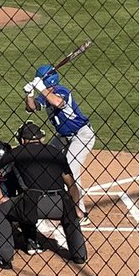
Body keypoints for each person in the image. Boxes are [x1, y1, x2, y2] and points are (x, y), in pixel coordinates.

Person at [0, 121, 87, 269]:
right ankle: (79, 255)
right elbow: (71, 185)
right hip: (60, 203)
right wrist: (75, 207)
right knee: (71, 214)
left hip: (32, 204)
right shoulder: (56, 152)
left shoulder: (18, 152)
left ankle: (4, 259)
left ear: (23, 140)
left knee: (1, 211)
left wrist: (0, 199)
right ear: (41, 138)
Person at [24, 64, 95, 223]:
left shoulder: (61, 90)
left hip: (81, 135)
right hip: (63, 136)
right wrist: (29, 94)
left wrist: (40, 88)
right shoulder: (45, 94)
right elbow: (31, 108)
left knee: (70, 168)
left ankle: (80, 213)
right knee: (44, 159)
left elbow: (58, 103)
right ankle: (46, 199)